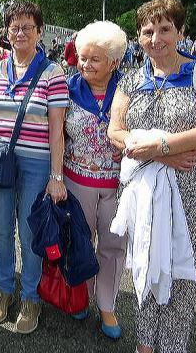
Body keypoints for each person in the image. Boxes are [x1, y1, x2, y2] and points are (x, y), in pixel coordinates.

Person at [107, 0, 196, 353]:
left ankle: (173, 344)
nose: (156, 38)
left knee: (179, 269)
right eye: (148, 31)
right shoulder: (131, 79)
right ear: (138, 37)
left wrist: (161, 149)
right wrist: (161, 153)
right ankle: (146, 342)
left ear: (180, 32)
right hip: (145, 191)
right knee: (146, 260)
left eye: (165, 29)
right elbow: (115, 130)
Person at [0, 1, 69, 334]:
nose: (20, 32)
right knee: (2, 229)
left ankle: (31, 296)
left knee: (30, 231)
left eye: (27, 26)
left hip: (36, 164)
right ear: (6, 32)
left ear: (39, 31)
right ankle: (4, 290)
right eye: (14, 27)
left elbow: (56, 129)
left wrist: (56, 176)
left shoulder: (52, 73)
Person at [64, 21, 128, 339]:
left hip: (118, 186)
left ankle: (107, 305)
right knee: (80, 243)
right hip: (77, 181)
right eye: (82, 57)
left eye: (94, 59)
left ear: (114, 62)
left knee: (113, 246)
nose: (85, 65)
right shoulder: (67, 88)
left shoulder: (130, 90)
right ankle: (81, 296)